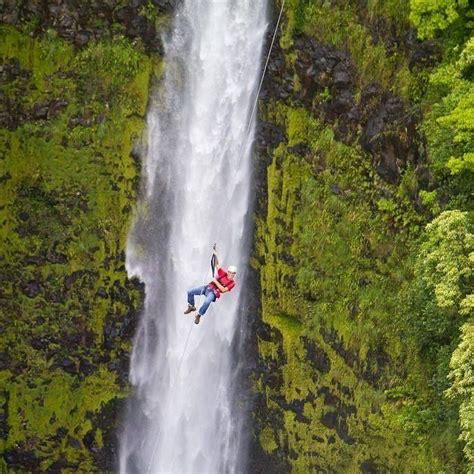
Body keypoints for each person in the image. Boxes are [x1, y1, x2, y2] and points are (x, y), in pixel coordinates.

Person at [184, 252, 237, 325]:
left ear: (235, 274)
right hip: (207, 288)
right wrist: (215, 254)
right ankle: (191, 306)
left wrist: (215, 280)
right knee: (190, 292)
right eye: (230, 272)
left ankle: (199, 315)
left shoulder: (232, 283)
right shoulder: (223, 274)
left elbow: (223, 290)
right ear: (228, 272)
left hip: (213, 293)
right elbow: (217, 265)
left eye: (233, 273)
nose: (231, 274)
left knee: (207, 302)